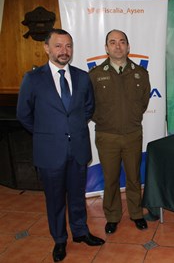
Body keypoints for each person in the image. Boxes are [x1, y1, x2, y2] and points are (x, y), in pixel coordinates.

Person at [17, 28, 105, 262]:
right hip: (49, 152)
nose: (64, 51)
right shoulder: (33, 79)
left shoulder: (82, 77)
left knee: (77, 195)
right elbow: (24, 114)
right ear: (47, 48)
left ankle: (80, 232)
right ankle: (59, 240)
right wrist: (48, 134)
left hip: (77, 148)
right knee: (54, 200)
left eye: (68, 46)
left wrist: (71, 130)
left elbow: (88, 108)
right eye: (58, 46)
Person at [89, 29, 150, 234]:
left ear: (128, 46)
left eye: (122, 42)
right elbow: (90, 105)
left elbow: (143, 102)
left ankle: (136, 213)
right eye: (113, 42)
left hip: (133, 134)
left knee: (133, 177)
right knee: (111, 178)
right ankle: (113, 216)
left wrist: (130, 118)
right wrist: (106, 121)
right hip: (107, 136)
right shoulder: (95, 75)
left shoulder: (140, 73)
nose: (118, 46)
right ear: (106, 48)